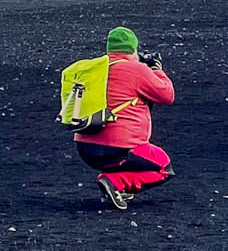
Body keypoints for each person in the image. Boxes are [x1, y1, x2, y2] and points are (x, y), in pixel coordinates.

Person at [74, 26, 175, 209]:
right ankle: (115, 182)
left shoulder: (93, 70)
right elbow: (167, 95)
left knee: (128, 159)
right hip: (119, 150)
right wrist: (156, 69)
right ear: (133, 50)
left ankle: (116, 188)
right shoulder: (136, 70)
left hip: (85, 148)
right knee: (164, 168)